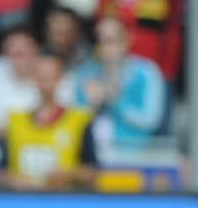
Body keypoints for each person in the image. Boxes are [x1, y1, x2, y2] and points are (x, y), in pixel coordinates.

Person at [0, 48, 97, 190]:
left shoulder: (80, 120)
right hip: (21, 205)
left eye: (50, 76)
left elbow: (93, 173)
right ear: (33, 77)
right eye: (41, 76)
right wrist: (13, 180)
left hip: (63, 203)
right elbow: (2, 172)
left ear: (60, 78)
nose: (45, 82)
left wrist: (68, 173)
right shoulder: (14, 121)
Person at [71, 14, 166, 152]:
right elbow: (71, 122)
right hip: (92, 157)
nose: (104, 48)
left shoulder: (146, 72)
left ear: (127, 39)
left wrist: (116, 102)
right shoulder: (85, 73)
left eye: (110, 41)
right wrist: (89, 106)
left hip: (133, 156)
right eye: (99, 41)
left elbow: (150, 120)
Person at [0, 23, 38, 140]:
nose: (18, 59)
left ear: (35, 50)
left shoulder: (48, 74)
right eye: (13, 53)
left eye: (22, 53)